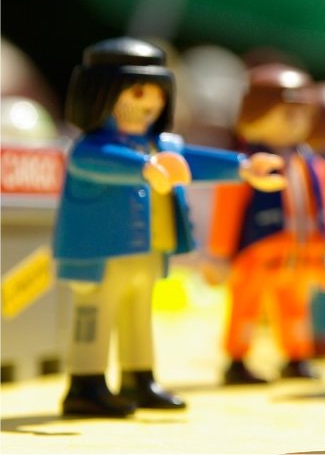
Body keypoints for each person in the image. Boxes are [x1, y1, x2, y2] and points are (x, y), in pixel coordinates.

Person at [53, 37, 283, 417]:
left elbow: (190, 160)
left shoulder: (156, 145)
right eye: (138, 92)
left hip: (145, 251)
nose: (148, 105)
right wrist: (145, 169)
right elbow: (103, 162)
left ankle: (138, 377)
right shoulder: (90, 148)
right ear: (101, 93)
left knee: (138, 316)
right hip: (101, 253)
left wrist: (241, 167)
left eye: (157, 94)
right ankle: (86, 382)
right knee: (95, 316)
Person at [208, 64, 325, 384]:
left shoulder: (310, 162)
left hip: (301, 252)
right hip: (256, 252)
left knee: (295, 307)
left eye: (303, 114)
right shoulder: (248, 165)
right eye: (286, 114)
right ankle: (237, 358)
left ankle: (296, 356)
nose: (296, 123)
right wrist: (219, 253)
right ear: (256, 113)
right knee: (246, 307)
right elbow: (228, 208)